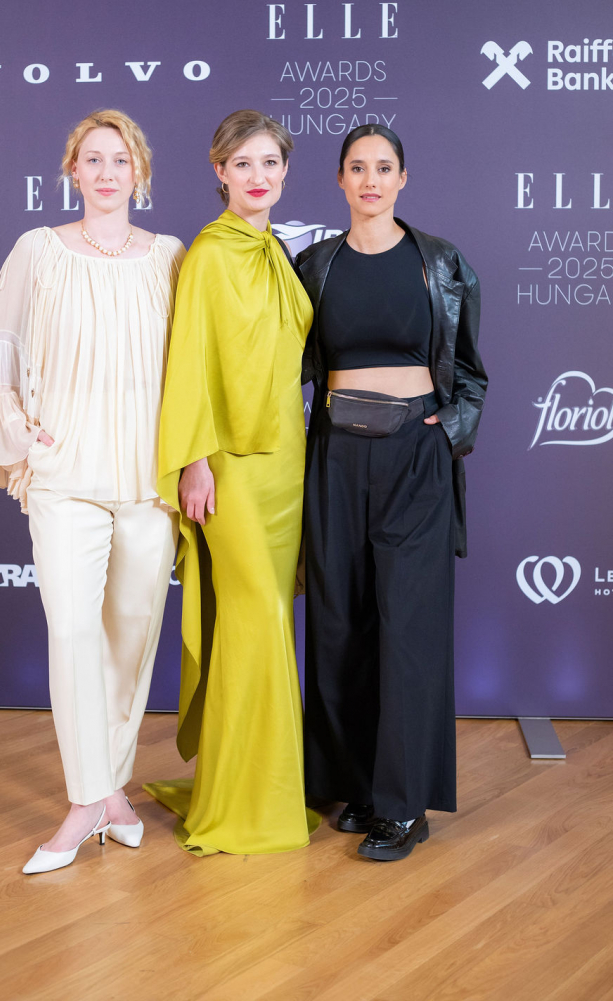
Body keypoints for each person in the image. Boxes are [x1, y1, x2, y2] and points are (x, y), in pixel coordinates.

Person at [0, 110, 186, 874]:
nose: (107, 171)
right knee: (74, 631)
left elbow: (192, 366)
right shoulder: (39, 250)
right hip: (65, 481)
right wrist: (18, 430)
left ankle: (110, 793)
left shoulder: (170, 256)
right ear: (72, 171)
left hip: (148, 483)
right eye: (93, 158)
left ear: (139, 171)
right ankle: (87, 801)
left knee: (131, 637)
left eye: (120, 158)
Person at [297, 124, 487, 862]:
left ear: (403, 178)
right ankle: (358, 786)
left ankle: (404, 807)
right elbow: (284, 366)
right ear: (340, 180)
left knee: (407, 627)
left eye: (384, 167)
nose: (370, 180)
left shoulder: (440, 262)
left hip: (416, 452)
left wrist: (449, 429)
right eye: (357, 167)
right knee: (339, 621)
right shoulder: (315, 265)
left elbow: (469, 371)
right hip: (336, 455)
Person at [144, 110, 318, 855]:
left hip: (286, 463)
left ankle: (259, 784)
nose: (258, 176)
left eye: (269, 163)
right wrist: (194, 459)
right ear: (219, 171)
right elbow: (190, 360)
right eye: (242, 163)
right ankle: (245, 803)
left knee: (270, 617)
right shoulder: (210, 254)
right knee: (257, 618)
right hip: (231, 470)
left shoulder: (278, 251)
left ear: (285, 171)